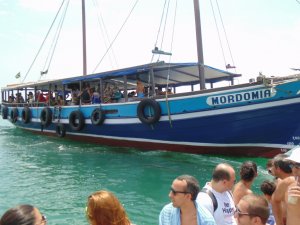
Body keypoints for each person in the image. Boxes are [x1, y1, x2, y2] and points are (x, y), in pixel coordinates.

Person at [271, 154, 294, 225]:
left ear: (278, 169)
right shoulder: (280, 182)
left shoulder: (286, 182)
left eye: (272, 166)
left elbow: (275, 201)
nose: (271, 169)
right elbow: (275, 201)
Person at [284, 147, 300, 225]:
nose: (293, 170)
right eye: (291, 164)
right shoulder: (290, 184)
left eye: (297, 166)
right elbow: (275, 199)